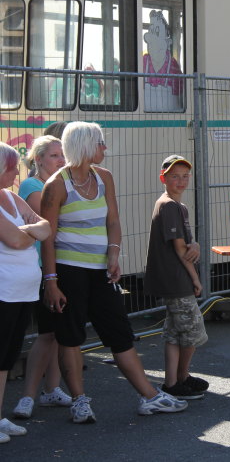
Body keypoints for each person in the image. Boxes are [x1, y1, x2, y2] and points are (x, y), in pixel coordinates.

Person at [40, 122, 187, 424]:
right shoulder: (56, 185)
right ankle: (80, 401)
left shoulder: (104, 177)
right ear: (84, 145)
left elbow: (114, 221)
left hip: (100, 271)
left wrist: (114, 253)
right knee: (70, 336)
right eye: (100, 143)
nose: (105, 148)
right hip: (68, 271)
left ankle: (149, 396)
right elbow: (47, 238)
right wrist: (51, 281)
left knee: (119, 332)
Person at [13, 136, 71, 419]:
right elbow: (51, 221)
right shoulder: (32, 186)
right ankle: (27, 397)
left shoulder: (58, 184)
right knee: (47, 332)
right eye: (54, 155)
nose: (61, 160)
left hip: (60, 264)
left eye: (62, 155)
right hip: (41, 268)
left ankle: (52, 389)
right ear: (38, 159)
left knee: (58, 332)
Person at [144, 155, 209, 400]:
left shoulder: (177, 206)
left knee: (174, 332)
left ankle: (172, 382)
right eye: (174, 176)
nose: (181, 181)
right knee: (193, 330)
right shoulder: (169, 206)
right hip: (176, 279)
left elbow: (187, 244)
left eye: (185, 176)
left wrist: (196, 245)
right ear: (163, 178)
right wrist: (195, 278)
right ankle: (182, 376)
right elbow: (180, 248)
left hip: (172, 278)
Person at [0, 142, 51, 443]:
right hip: (4, 291)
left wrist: (27, 231)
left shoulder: (10, 197)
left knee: (6, 357)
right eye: (11, 168)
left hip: (22, 291)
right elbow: (17, 241)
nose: (16, 174)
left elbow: (45, 227)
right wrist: (30, 232)